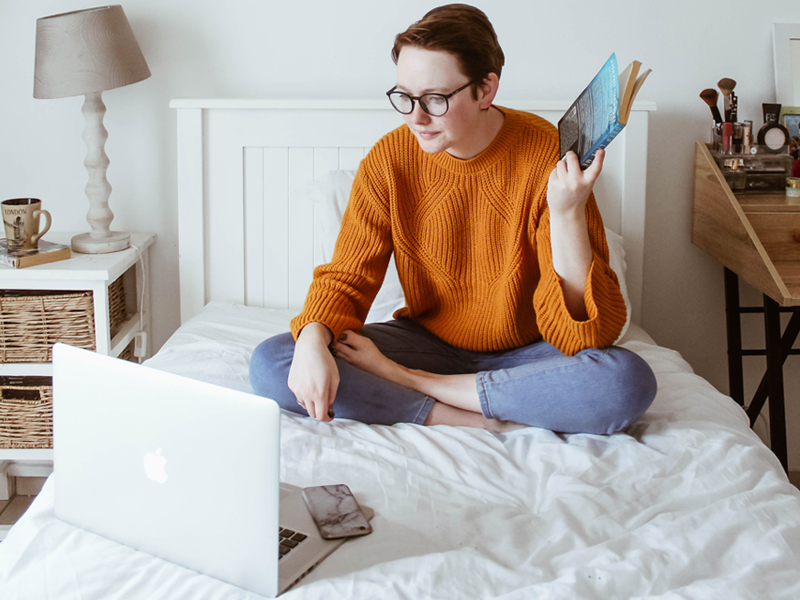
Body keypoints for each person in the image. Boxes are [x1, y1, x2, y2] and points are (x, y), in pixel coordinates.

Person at [249, 4, 657, 434]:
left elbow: (585, 337)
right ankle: (474, 416)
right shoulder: (389, 160)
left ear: (485, 90)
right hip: (427, 341)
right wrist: (314, 337)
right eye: (404, 96)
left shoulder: (545, 155)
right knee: (273, 361)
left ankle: (418, 387)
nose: (415, 117)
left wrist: (567, 212)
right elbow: (348, 277)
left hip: (530, 352)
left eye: (435, 99)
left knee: (625, 380)